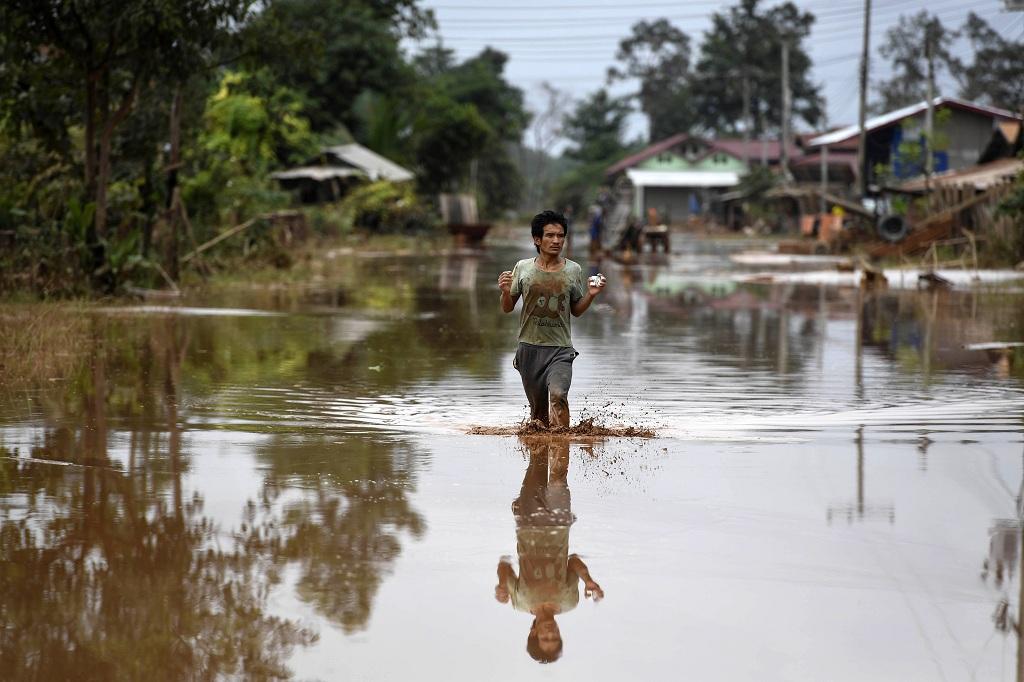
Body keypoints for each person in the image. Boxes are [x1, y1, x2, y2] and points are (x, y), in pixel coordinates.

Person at [494, 439, 604, 663]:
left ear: (533, 634)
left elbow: (504, 566)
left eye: (546, 638)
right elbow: (573, 562)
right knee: (558, 474)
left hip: (528, 526)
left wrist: (501, 585)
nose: (551, 633)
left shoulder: (520, 603)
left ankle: (539, 427)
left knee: (537, 462)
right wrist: (588, 581)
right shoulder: (569, 601)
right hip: (559, 524)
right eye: (555, 637)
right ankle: (557, 431)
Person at [497, 210, 605, 429]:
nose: (556, 240)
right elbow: (508, 308)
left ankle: (562, 454)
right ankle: (539, 458)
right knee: (538, 419)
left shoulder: (573, 270)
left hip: (560, 349)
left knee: (558, 395)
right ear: (537, 239)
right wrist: (506, 291)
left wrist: (591, 296)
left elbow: (575, 310)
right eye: (550, 235)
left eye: (560, 235)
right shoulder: (523, 268)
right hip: (529, 349)